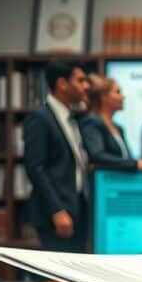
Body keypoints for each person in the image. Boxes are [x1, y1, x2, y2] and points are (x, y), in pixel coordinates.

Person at [23, 60, 91, 252]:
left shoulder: (72, 117)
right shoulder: (40, 118)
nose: (85, 86)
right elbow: (35, 168)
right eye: (80, 80)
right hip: (57, 212)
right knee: (58, 278)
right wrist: (57, 210)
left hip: (77, 206)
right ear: (62, 84)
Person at [79, 74, 142, 173]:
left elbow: (126, 158)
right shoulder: (92, 122)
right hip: (103, 184)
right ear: (104, 97)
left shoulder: (118, 128)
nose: (123, 96)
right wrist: (138, 164)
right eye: (118, 92)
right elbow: (98, 155)